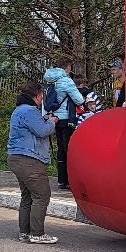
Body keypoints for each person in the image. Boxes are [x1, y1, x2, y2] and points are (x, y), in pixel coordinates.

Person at [6, 84, 59, 244]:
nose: (43, 98)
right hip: (29, 159)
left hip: (17, 158)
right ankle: (37, 233)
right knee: (41, 195)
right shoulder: (29, 111)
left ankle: (25, 232)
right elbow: (42, 130)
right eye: (42, 95)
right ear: (37, 96)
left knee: (27, 196)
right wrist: (52, 122)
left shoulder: (20, 110)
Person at [42, 59, 87, 190]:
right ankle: (70, 180)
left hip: (55, 118)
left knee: (61, 149)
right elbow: (78, 100)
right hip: (67, 119)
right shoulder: (66, 81)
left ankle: (61, 180)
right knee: (70, 149)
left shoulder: (49, 80)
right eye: (69, 68)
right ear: (66, 68)